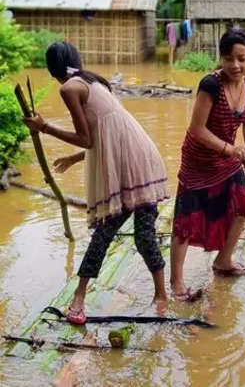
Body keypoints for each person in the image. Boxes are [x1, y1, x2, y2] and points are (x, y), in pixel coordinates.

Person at [23, 42, 170, 324]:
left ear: (51, 69)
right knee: (128, 233)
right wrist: (75, 158)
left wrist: (44, 128)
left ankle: (84, 299)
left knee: (121, 233)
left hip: (130, 165)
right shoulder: (92, 81)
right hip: (141, 157)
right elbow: (105, 135)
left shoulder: (69, 88)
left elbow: (89, 138)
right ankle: (156, 296)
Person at [170, 28, 245, 301]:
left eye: (242, 58)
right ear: (221, 59)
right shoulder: (210, 85)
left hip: (228, 159)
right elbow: (196, 129)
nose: (235, 65)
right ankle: (176, 283)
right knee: (186, 222)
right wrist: (232, 150)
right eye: (229, 58)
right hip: (198, 160)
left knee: (243, 206)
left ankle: (223, 261)